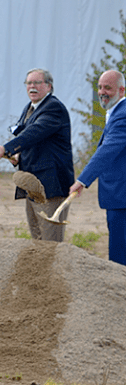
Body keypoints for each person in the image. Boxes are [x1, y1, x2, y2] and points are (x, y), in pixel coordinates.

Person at [0, 68, 74, 241]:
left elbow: (34, 133)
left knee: (51, 240)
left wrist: (7, 148)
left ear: (49, 86)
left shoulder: (53, 108)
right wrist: (17, 156)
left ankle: (52, 269)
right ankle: (40, 269)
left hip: (51, 184)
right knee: (37, 236)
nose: (32, 87)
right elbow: (31, 140)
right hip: (33, 184)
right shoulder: (30, 108)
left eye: (37, 82)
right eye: (29, 83)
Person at [70, 70, 126, 265]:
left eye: (107, 88)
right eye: (100, 87)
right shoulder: (116, 112)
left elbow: (107, 151)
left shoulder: (123, 115)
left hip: (122, 196)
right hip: (119, 194)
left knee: (120, 254)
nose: (102, 92)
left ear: (121, 90)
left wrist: (82, 180)